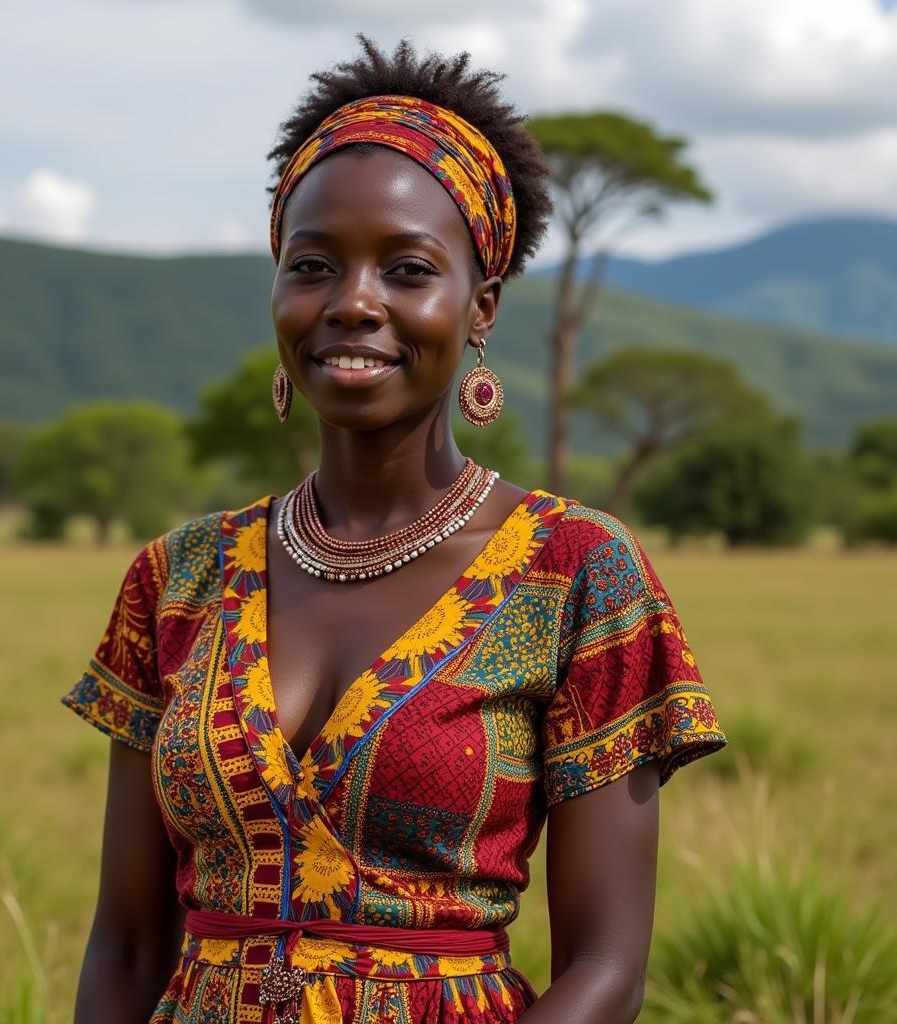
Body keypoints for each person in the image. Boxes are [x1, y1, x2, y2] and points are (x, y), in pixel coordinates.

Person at [63, 36, 726, 1024]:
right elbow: (123, 945)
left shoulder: (577, 572)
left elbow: (605, 970)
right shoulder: (177, 577)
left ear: (480, 309)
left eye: (408, 269)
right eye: (313, 265)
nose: (353, 303)